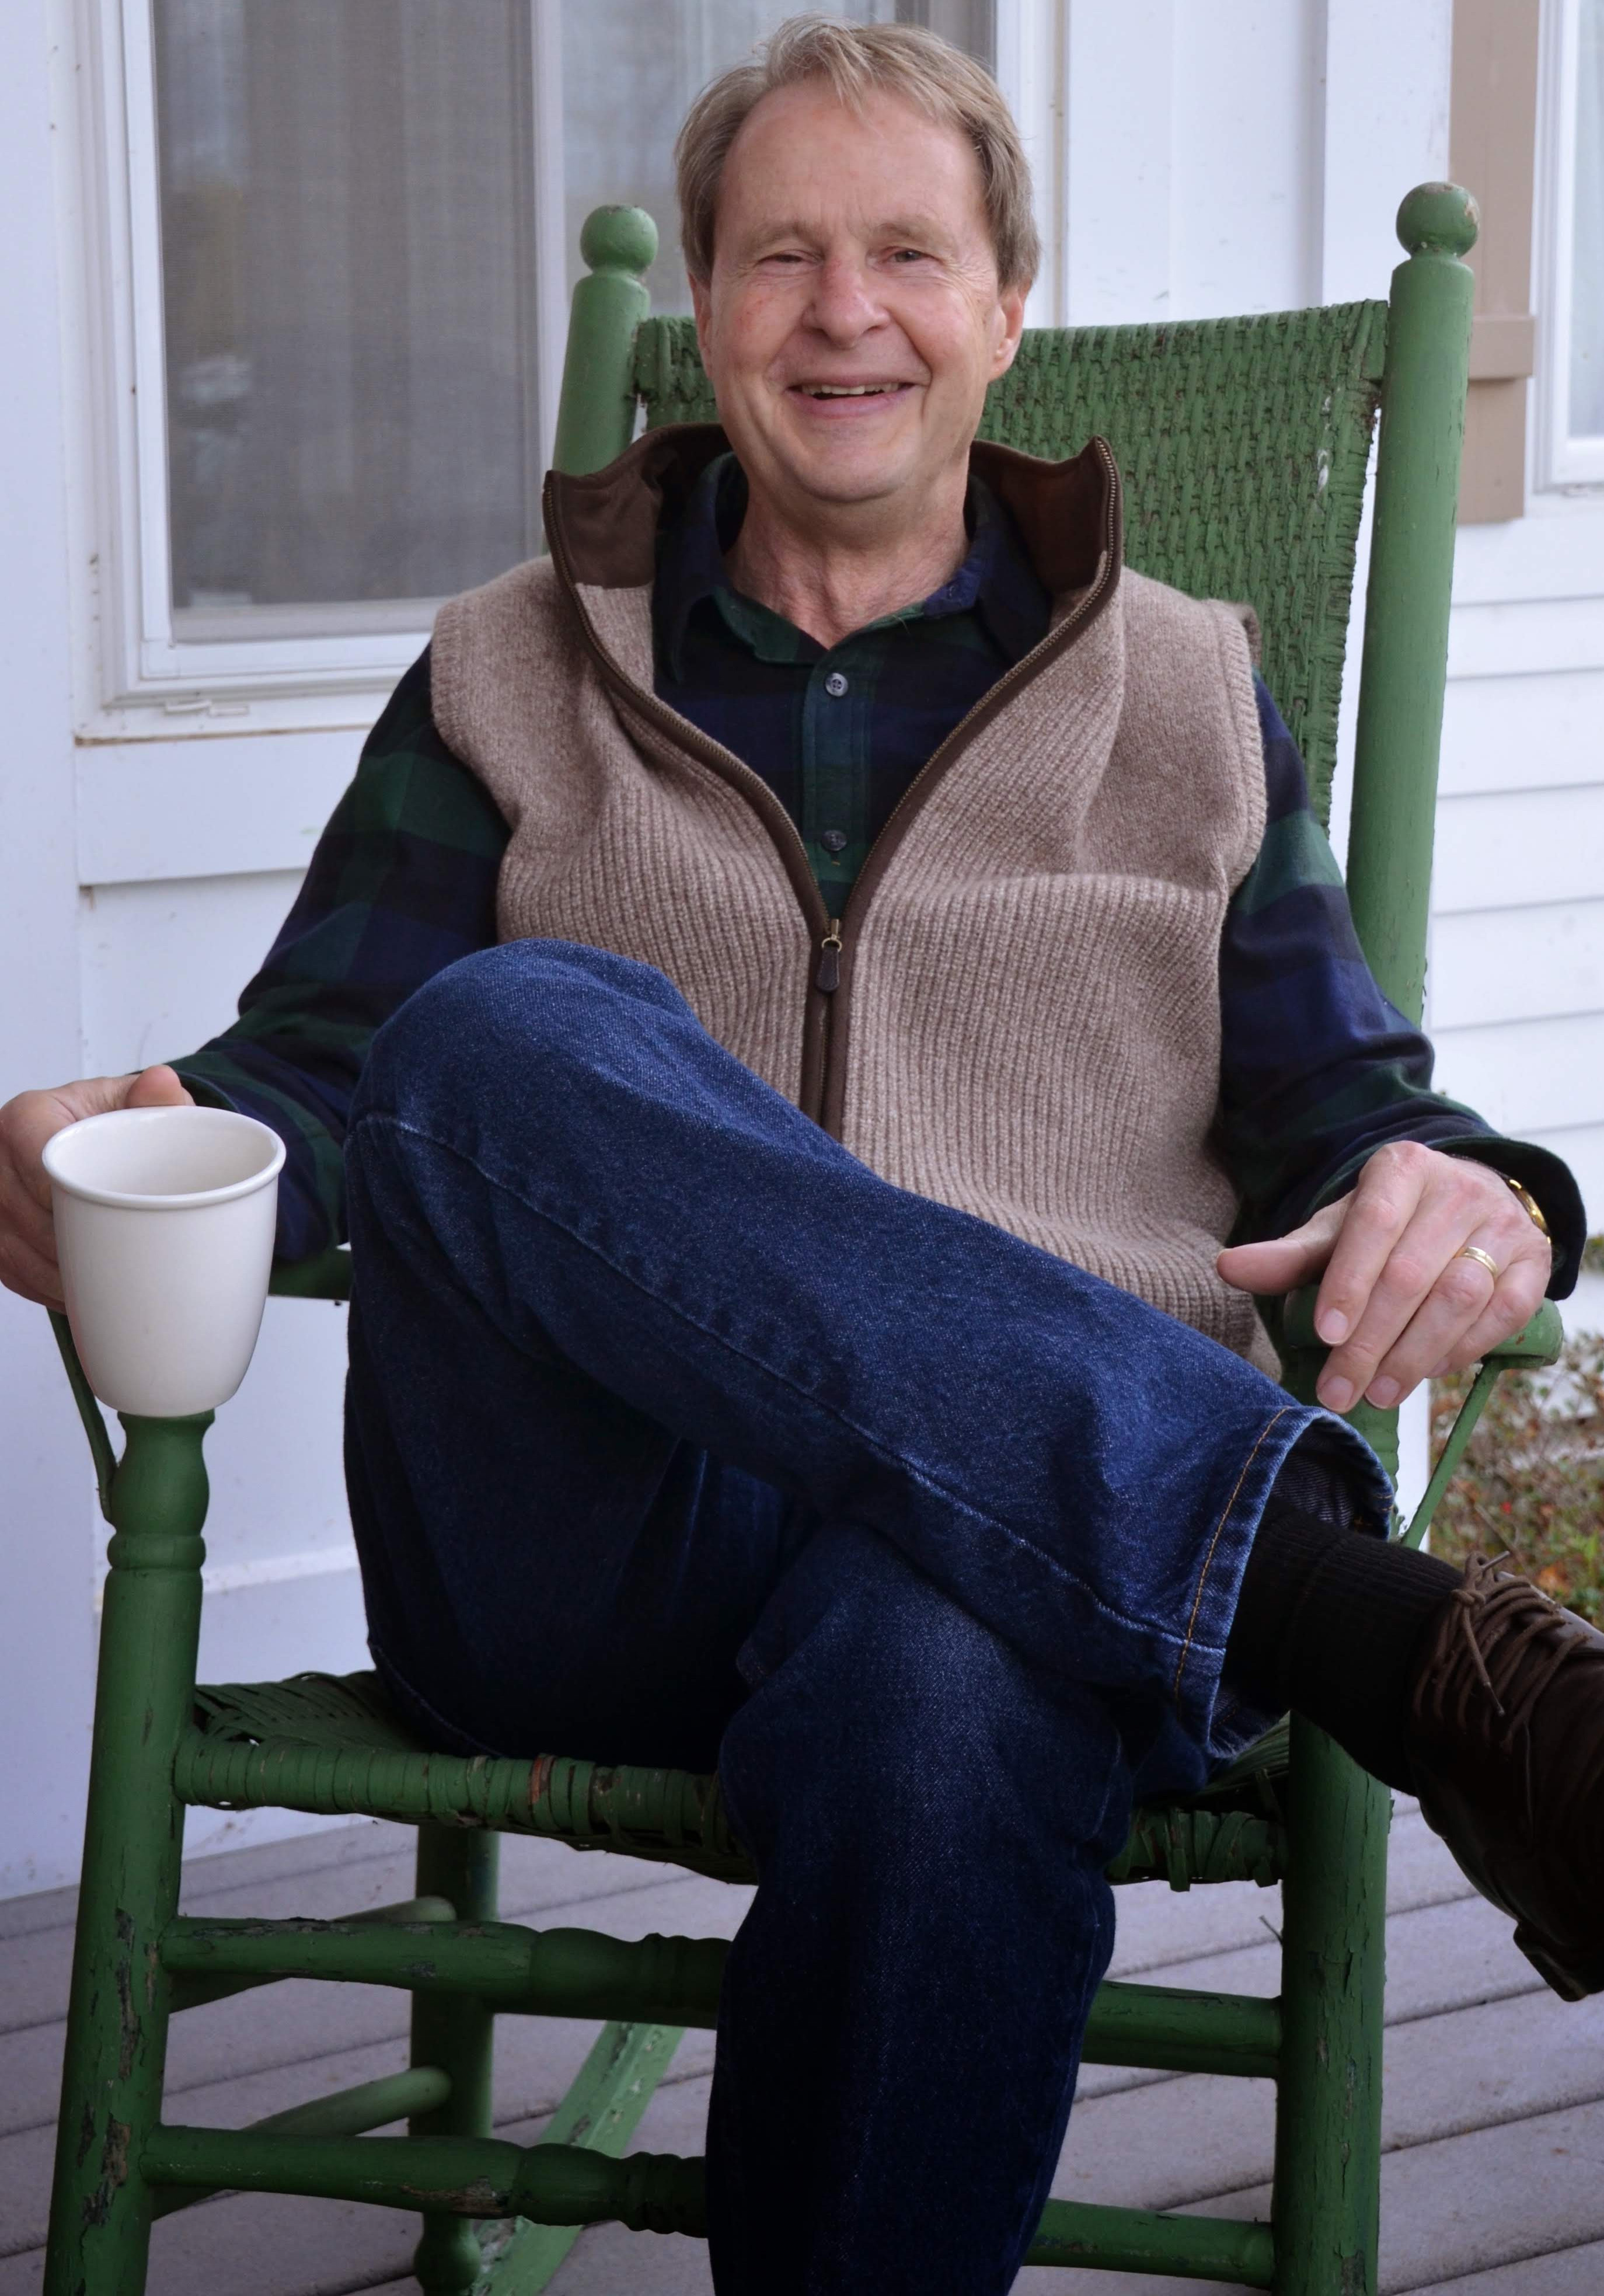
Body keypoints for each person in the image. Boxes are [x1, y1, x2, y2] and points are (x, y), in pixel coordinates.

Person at [2, 19, 1600, 2291]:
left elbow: (1354, 1110)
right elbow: (341, 1086)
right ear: (703, 324)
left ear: (1006, 307)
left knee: (949, 1685)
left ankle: (1260, 1590)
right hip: (582, 1544)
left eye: (907, 252)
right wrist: (162, 1132)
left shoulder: (1183, 694)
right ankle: (1391, 1640)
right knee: (500, 1027)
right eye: (779, 256)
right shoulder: (507, 668)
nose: (843, 311)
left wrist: (1499, 1189)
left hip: (1001, 1581)